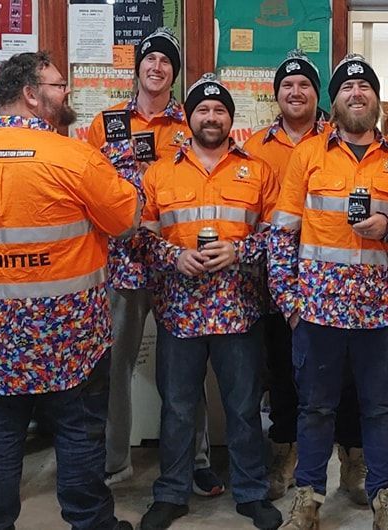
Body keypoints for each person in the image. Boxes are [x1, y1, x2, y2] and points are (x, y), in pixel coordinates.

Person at [0, 51, 141, 530]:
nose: (65, 92)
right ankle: (91, 523)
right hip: (68, 335)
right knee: (79, 431)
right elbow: (126, 220)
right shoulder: (74, 156)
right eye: (58, 84)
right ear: (31, 94)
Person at [270, 53, 388, 530]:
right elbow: (282, 235)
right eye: (347, 88)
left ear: (376, 100)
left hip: (380, 316)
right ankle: (308, 500)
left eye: (365, 87)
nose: (356, 94)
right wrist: (291, 304)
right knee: (315, 411)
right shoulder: (308, 156)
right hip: (318, 315)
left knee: (381, 411)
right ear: (335, 100)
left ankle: (386, 503)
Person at [138, 73, 282, 530]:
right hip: (179, 312)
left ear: (230, 120)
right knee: (178, 408)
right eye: (203, 109)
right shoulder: (160, 171)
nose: (211, 116)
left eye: (220, 110)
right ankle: (171, 493)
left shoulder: (257, 169)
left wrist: (241, 251)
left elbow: (278, 236)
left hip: (238, 311)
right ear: (190, 117)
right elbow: (141, 237)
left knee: (242, 408)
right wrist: (174, 256)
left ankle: (251, 492)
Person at [86, 26, 221, 496]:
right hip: (122, 262)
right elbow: (87, 185)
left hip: (177, 264)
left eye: (166, 61)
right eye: (150, 59)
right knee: (114, 364)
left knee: (184, 370)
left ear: (174, 74)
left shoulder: (192, 123)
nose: (157, 67)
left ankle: (197, 459)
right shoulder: (105, 123)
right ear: (138, 67)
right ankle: (112, 462)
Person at [245, 49, 366, 504]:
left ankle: (353, 460)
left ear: (319, 96)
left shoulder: (343, 140)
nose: (296, 92)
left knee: (349, 376)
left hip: (336, 284)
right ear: (276, 94)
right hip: (278, 280)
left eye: (305, 85)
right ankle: (285, 453)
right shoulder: (255, 147)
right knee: (282, 372)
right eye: (287, 85)